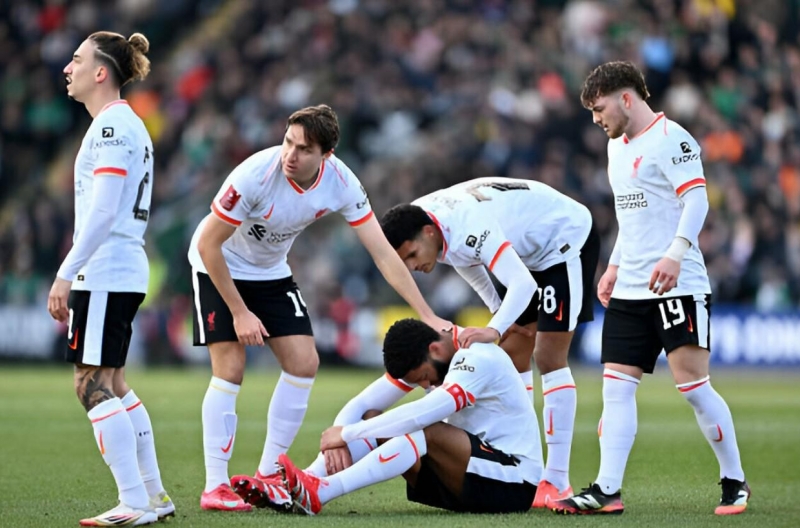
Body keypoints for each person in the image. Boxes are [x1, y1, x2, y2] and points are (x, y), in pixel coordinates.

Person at [187, 104, 451, 511]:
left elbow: (383, 254)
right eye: (288, 142)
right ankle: (215, 485)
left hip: (270, 272)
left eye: (304, 149)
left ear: (326, 156)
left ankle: (269, 472)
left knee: (304, 363)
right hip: (218, 265)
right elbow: (208, 243)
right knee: (231, 368)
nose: (290, 154)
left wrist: (427, 313)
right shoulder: (254, 176)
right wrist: (240, 312)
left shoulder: (342, 183)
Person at [551, 61, 749, 516]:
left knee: (694, 388)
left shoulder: (672, 140)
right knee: (616, 389)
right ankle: (606, 490)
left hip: (678, 285)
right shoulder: (615, 148)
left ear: (626, 98)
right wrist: (615, 266)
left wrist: (675, 254)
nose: (596, 119)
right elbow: (631, 216)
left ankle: (734, 480)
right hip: (631, 289)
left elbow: (695, 200)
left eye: (599, 109)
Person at [379, 177, 600, 506]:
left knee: (550, 356)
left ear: (427, 233)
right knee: (513, 356)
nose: (413, 267)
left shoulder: (465, 223)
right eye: (404, 263)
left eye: (411, 255)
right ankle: (527, 461)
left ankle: (556, 481)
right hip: (527, 249)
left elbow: (522, 284)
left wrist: (495, 328)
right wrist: (498, 311)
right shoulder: (430, 223)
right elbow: (465, 259)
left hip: (563, 239)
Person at [47, 32, 174, 526]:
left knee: (90, 385)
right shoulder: (121, 124)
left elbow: (102, 212)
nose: (67, 67)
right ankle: (154, 495)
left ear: (101, 72)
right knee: (115, 384)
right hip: (119, 267)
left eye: (76, 59)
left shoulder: (110, 129)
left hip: (106, 270)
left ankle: (134, 503)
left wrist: (64, 273)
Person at [243, 318, 542, 515]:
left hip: (514, 483)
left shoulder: (478, 356)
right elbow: (363, 405)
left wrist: (347, 434)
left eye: (424, 377)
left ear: (435, 348)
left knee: (424, 429)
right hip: (468, 482)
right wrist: (340, 434)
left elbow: (425, 413)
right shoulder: (434, 356)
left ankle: (322, 492)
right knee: (376, 418)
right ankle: (299, 485)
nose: (426, 385)